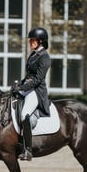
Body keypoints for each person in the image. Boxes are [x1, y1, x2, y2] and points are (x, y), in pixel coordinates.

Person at [13, 27, 51, 161]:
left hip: (36, 91)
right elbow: (29, 75)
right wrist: (19, 86)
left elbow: (38, 79)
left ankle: (28, 150)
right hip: (28, 88)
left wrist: (23, 87)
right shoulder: (33, 54)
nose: (30, 42)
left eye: (33, 40)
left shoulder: (44, 57)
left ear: (40, 41)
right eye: (30, 40)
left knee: (24, 114)